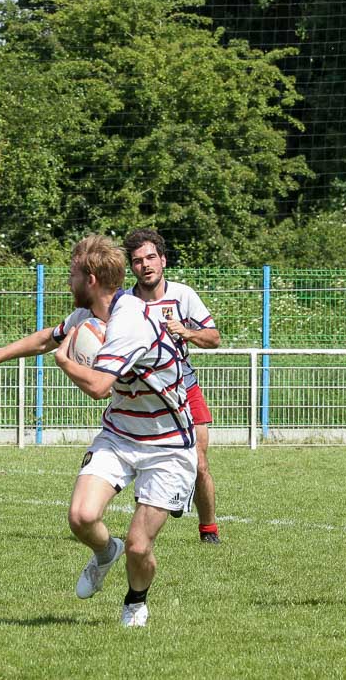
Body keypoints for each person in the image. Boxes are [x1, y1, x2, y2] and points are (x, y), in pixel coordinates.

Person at [0, 235, 196, 628]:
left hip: (168, 443)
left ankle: (135, 602)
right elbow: (49, 336)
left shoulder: (129, 321)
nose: (67, 282)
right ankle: (106, 552)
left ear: (90, 279)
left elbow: (99, 387)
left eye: (71, 274)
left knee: (139, 546)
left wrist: (65, 363)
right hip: (120, 433)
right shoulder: (90, 315)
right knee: (81, 516)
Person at [123, 228, 222, 544]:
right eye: (137, 261)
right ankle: (155, 517)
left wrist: (187, 332)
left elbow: (214, 338)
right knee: (146, 462)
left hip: (184, 389)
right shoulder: (125, 303)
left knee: (200, 462)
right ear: (132, 267)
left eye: (151, 257)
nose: (145, 265)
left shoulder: (183, 295)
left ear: (163, 260)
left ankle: (209, 530)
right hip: (145, 396)